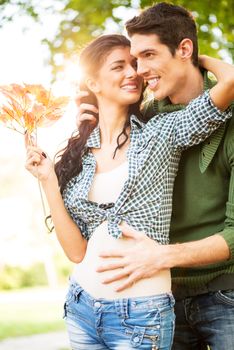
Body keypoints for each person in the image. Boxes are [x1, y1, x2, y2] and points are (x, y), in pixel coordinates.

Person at [25, 33, 233, 350]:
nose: (133, 72)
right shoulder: (77, 155)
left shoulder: (162, 133)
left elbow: (229, 82)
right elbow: (76, 252)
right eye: (119, 66)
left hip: (142, 314)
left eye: (134, 64)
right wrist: (48, 181)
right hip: (82, 307)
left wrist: (193, 60)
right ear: (92, 82)